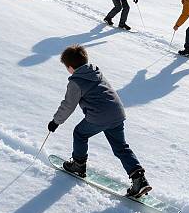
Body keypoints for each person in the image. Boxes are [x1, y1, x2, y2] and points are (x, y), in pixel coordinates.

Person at [47, 44, 151, 198]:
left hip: (99, 116)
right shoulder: (95, 72)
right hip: (117, 113)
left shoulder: (76, 82)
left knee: (80, 133)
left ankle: (78, 164)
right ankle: (139, 180)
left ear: (70, 67)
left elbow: (68, 105)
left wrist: (55, 122)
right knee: (120, 147)